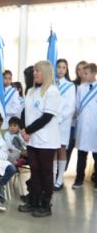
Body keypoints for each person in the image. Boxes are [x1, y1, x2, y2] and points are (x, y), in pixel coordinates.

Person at [18, 61, 61, 217]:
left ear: (45, 72)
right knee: (35, 171)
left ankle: (45, 203)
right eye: (34, 70)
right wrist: (23, 130)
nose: (34, 73)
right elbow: (25, 112)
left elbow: (47, 117)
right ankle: (34, 200)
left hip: (47, 140)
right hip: (32, 139)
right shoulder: (30, 91)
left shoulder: (52, 91)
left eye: (37, 71)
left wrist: (28, 130)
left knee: (46, 172)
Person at [72, 62, 97, 189]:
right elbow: (76, 106)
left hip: (95, 125)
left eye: (86, 73)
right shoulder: (81, 88)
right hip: (82, 124)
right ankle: (78, 179)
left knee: (96, 155)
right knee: (81, 155)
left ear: (94, 73)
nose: (83, 75)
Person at [55, 59, 76, 190]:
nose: (61, 70)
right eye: (59, 67)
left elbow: (70, 107)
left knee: (61, 149)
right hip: (50, 122)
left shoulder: (70, 86)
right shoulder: (51, 84)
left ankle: (59, 179)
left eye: (64, 67)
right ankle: (51, 178)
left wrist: (59, 118)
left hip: (62, 123)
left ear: (66, 69)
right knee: (51, 150)